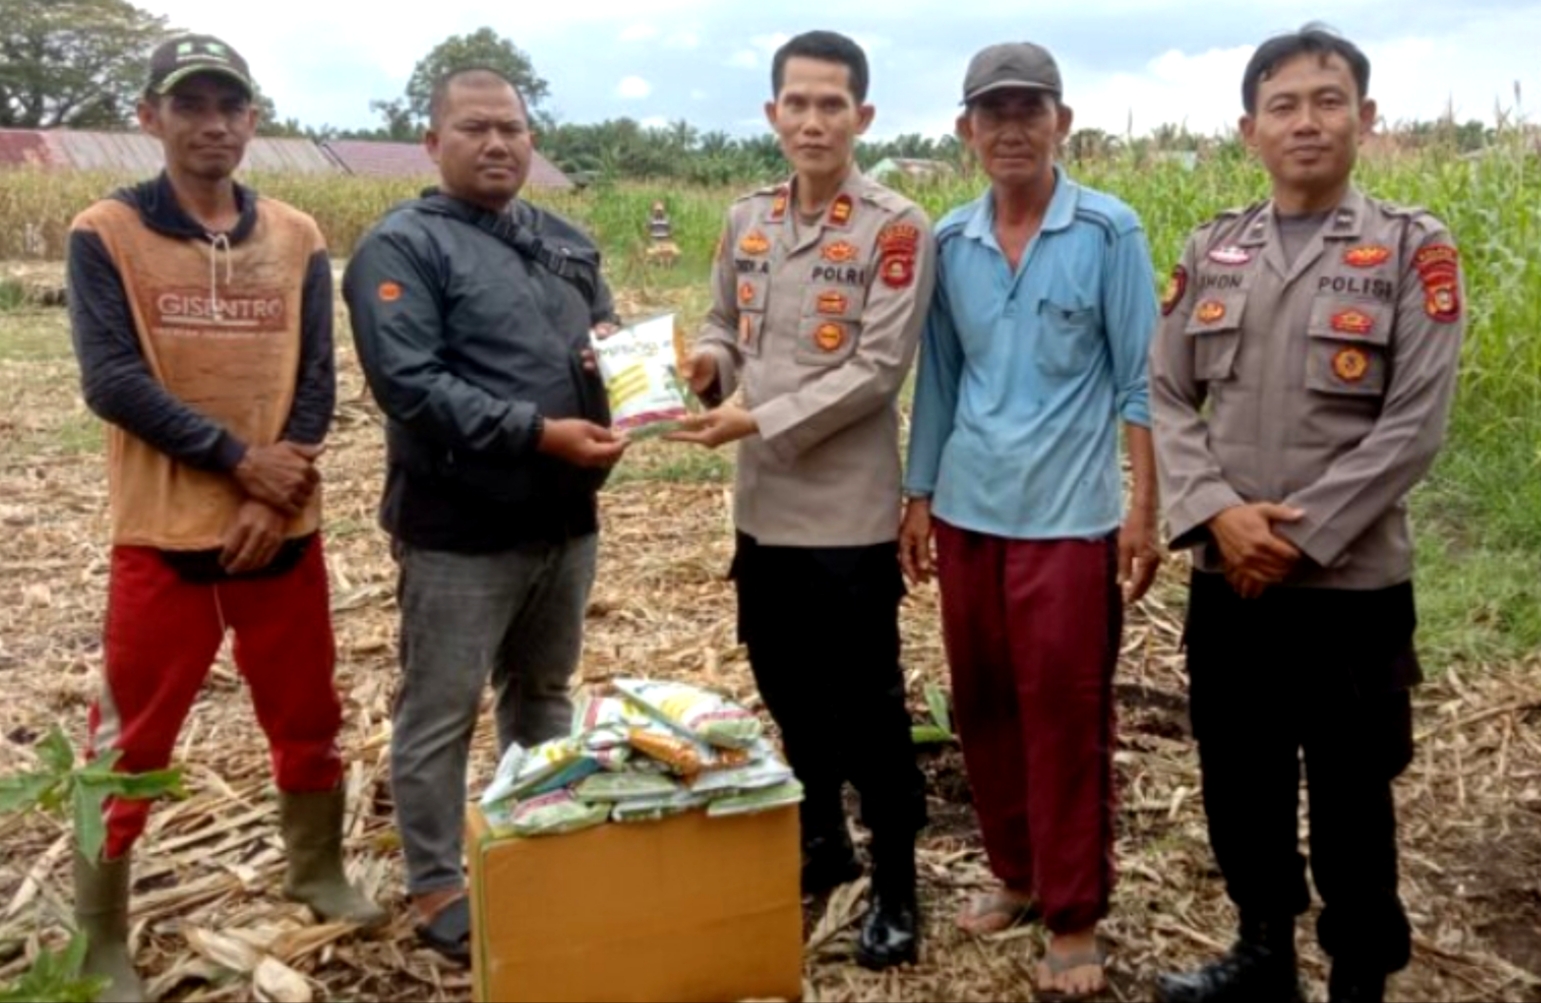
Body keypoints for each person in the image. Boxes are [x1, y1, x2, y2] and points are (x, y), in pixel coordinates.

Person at [66, 33, 383, 1002]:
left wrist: (271, 489)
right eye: (190, 106)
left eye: (229, 107)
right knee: (130, 737)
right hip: (164, 536)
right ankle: (98, 935)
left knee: (308, 713)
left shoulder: (294, 234)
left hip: (280, 531)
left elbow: (318, 381)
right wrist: (241, 465)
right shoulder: (105, 233)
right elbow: (112, 381)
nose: (212, 126)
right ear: (149, 117)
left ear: (252, 119)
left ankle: (315, 866)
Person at [1150, 25, 1464, 1003]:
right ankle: (1260, 955)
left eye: (1327, 101)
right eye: (1281, 105)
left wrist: (1292, 534)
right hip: (1225, 577)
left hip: (1350, 586)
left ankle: (1358, 978)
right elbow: (1163, 394)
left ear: (1364, 119)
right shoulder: (1212, 249)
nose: (1305, 122)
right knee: (1238, 780)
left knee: (1349, 797)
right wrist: (1218, 518)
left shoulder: (1411, 249)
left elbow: (1413, 423)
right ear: (1248, 129)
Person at [343, 67, 625, 966]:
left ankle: (537, 830)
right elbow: (411, 386)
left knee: (542, 691)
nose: (497, 143)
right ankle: (434, 881)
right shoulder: (402, 247)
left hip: (566, 518)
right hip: (459, 525)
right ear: (433, 143)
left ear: (531, 139)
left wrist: (649, 384)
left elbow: (608, 340)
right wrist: (540, 433)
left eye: (511, 127)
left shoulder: (564, 240)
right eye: (474, 129)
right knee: (440, 706)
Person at [899, 41, 1161, 1002]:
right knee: (984, 704)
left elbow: (1141, 381)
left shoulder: (1107, 230)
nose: (1011, 127)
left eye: (1029, 109)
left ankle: (1073, 909)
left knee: (1065, 712)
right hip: (969, 510)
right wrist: (918, 496)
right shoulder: (952, 240)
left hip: (1068, 519)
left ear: (1062, 121)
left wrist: (1143, 510)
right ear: (966, 131)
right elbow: (941, 377)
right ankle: (1013, 872)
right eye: (991, 112)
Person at [669, 30, 935, 971]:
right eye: (797, 103)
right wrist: (707, 368)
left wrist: (750, 418)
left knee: (866, 704)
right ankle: (822, 832)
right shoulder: (747, 219)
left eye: (833, 104)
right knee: (783, 684)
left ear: (862, 117)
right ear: (772, 114)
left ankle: (898, 880)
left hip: (845, 516)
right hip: (761, 510)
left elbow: (874, 370)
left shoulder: (894, 227)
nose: (813, 120)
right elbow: (720, 327)